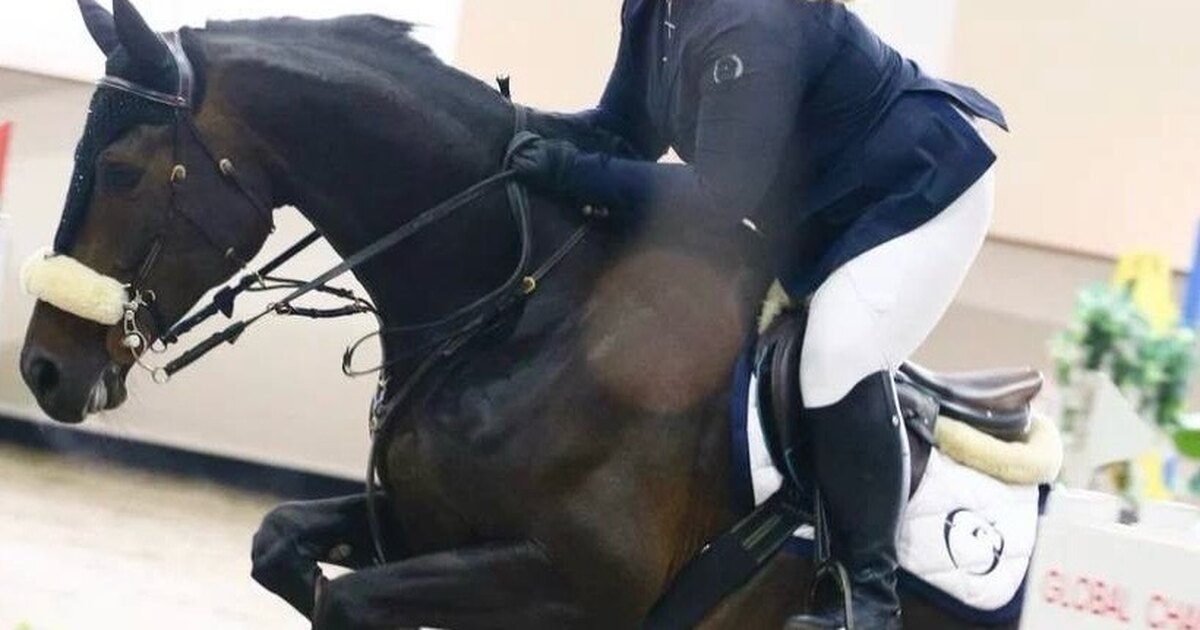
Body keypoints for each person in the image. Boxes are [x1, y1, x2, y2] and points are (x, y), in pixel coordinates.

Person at [510, 0, 1005, 627]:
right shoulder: (652, 9)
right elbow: (622, 130)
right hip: (821, 221)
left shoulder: (751, 18)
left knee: (836, 354)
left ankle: (867, 598)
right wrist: (511, 127)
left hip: (916, 191)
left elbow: (718, 200)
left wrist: (570, 172)